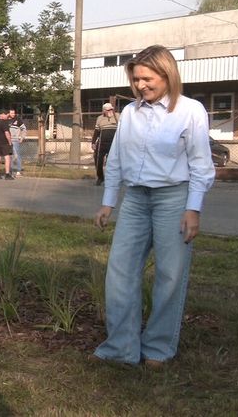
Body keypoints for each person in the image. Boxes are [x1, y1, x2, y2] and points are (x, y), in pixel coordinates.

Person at [92, 45, 215, 367]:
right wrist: (108, 202)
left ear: (167, 74)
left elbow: (201, 164)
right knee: (119, 272)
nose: (141, 85)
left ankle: (158, 348)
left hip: (174, 198)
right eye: (136, 80)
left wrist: (193, 209)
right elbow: (116, 159)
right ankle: (121, 347)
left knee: (169, 275)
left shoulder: (190, 111)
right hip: (134, 199)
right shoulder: (130, 113)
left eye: (147, 79)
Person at [92, 102, 119, 186]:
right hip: (102, 143)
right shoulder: (99, 118)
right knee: (98, 160)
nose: (110, 111)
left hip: (114, 143)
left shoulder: (118, 116)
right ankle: (100, 177)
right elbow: (96, 131)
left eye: (111, 109)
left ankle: (112, 179)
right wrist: (93, 142)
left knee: (112, 162)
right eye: (108, 110)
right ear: (104, 111)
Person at [0, 110, 14, 180]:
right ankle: (7, 174)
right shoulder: (4, 123)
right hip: (4, 142)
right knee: (7, 158)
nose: (7, 116)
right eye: (6, 115)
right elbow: (7, 133)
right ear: (2, 114)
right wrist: (10, 142)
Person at [7, 109, 25, 178]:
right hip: (7, 141)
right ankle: (10, 171)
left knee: (17, 155)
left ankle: (18, 171)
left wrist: (22, 137)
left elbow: (24, 129)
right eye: (11, 113)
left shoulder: (18, 120)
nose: (13, 114)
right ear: (9, 113)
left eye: (14, 113)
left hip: (15, 140)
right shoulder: (6, 120)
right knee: (9, 156)